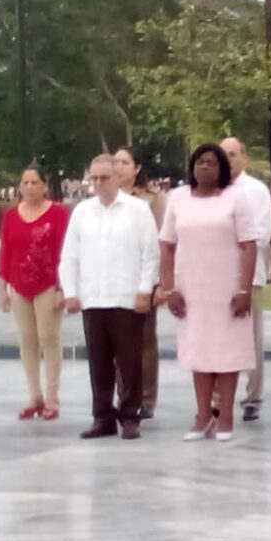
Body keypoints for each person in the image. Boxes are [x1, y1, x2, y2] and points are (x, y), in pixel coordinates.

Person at [159, 143, 257, 442]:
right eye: (200, 162)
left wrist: (244, 289)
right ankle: (202, 416)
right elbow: (166, 244)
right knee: (199, 352)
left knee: (226, 353)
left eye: (212, 163)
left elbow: (249, 244)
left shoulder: (235, 198)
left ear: (222, 169)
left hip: (227, 287)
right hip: (192, 289)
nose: (205, 167)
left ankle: (224, 415)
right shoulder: (178, 198)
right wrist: (169, 289)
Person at [59, 154, 159, 440]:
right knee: (98, 362)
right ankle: (102, 416)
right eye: (95, 178)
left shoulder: (138, 210)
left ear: (118, 177)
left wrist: (144, 289)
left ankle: (130, 416)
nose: (99, 183)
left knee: (130, 362)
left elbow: (150, 255)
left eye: (105, 177)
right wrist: (71, 292)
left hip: (126, 297)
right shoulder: (83, 212)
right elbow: (70, 255)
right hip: (93, 298)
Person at [0, 166, 70, 420]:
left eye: (34, 182)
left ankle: (52, 397)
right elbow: (6, 252)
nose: (29, 187)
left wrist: (63, 288)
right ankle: (34, 395)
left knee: (48, 339)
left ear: (44, 185)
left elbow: (65, 250)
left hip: (48, 283)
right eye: (25, 182)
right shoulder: (10, 216)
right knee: (27, 340)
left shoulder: (58, 214)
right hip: (19, 285)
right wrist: (2, 288)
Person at [220, 137, 271, 423]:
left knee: (251, 337)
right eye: (223, 154)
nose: (227, 160)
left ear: (244, 158)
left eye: (232, 154)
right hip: (214, 276)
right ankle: (216, 398)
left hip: (248, 273)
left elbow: (261, 235)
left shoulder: (257, 191)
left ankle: (253, 396)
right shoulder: (208, 189)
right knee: (215, 336)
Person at [113, 147, 167, 420]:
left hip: (143, 278)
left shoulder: (153, 199)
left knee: (144, 342)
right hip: (113, 280)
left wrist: (158, 283)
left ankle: (146, 398)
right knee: (116, 344)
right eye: (115, 162)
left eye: (125, 162)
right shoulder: (104, 198)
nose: (119, 167)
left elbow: (161, 241)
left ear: (136, 168)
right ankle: (124, 395)